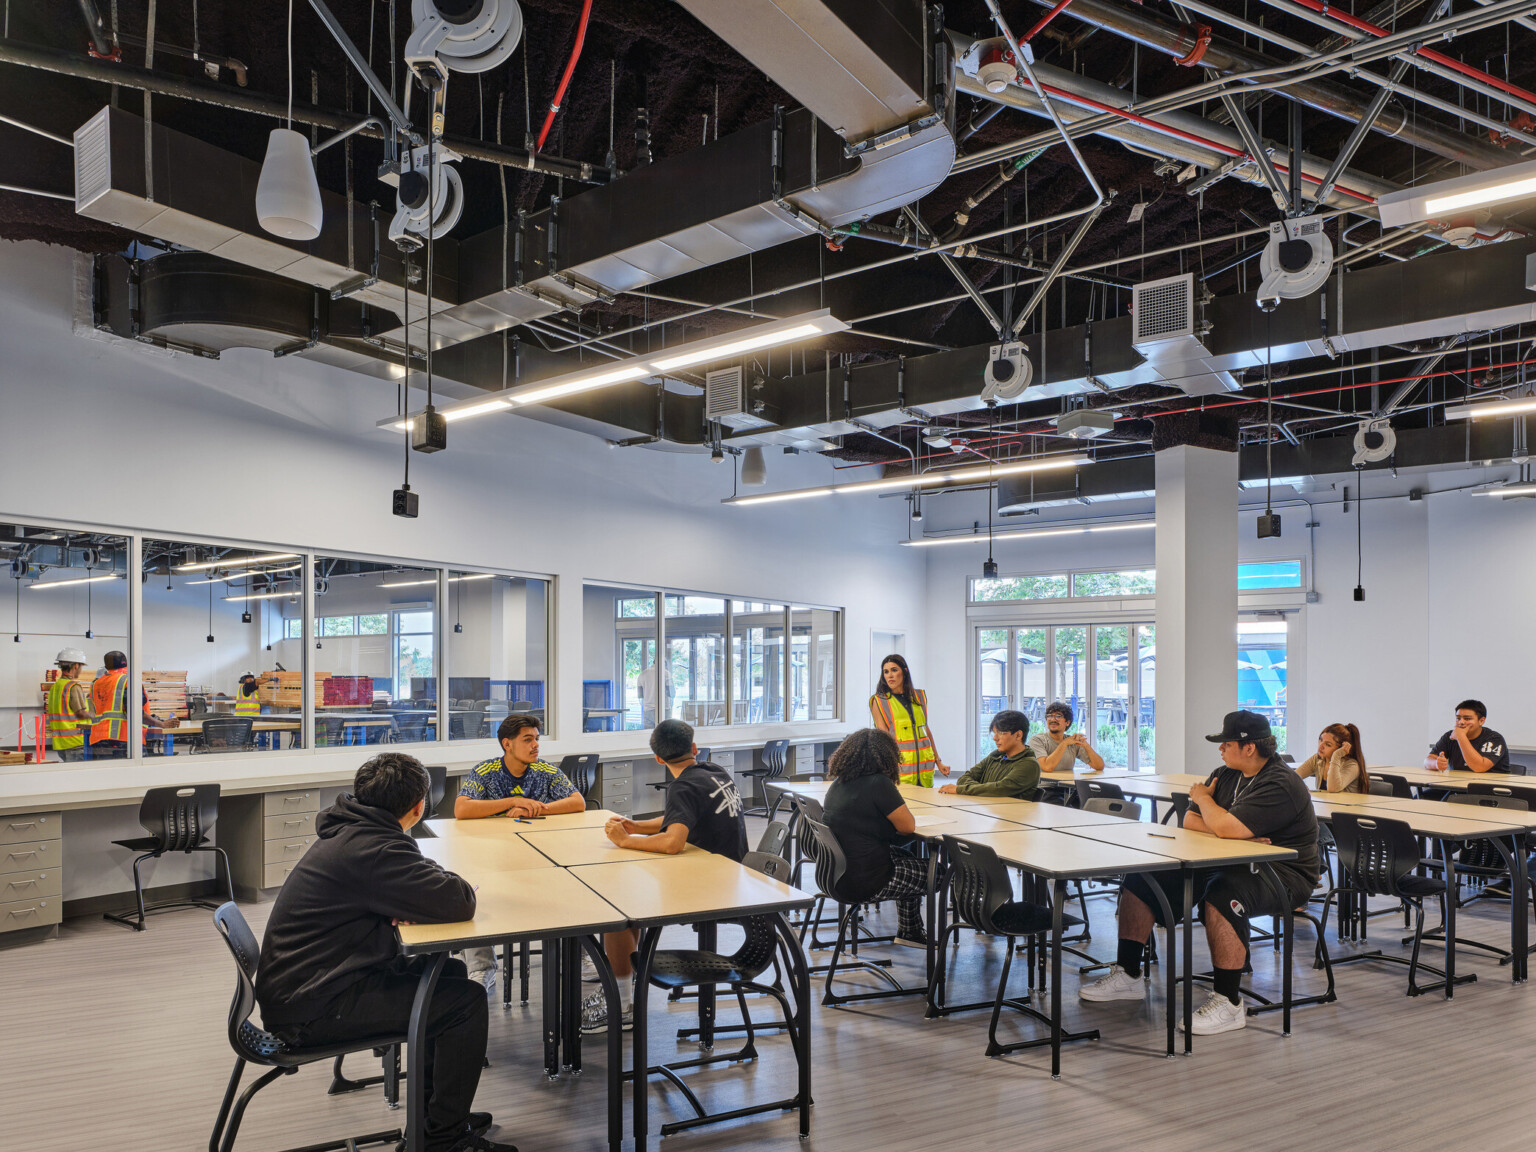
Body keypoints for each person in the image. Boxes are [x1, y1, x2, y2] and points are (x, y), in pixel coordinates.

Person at [254, 753, 513, 1152]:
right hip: (315, 1009)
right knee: (466, 1002)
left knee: (448, 977)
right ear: (418, 805)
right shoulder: (376, 850)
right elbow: (458, 899)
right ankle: (443, 1140)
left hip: (309, 987)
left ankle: (432, 1119)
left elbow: (424, 879)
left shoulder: (356, 830)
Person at [1080, 710, 1319, 1036]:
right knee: (1140, 878)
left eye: (1227, 743)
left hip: (1283, 873)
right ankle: (1129, 974)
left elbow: (1219, 822)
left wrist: (1207, 801)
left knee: (1224, 894)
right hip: (1230, 858)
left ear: (1249, 748)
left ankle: (1229, 1003)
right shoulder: (1226, 772)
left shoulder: (1280, 782)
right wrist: (1227, 830)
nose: (1220, 749)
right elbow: (1190, 822)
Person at [581, 719, 746, 1033]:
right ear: (694, 749)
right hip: (731, 877)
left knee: (616, 910)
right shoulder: (712, 772)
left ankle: (622, 1003)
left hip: (713, 889)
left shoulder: (682, 785)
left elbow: (673, 842)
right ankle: (623, 993)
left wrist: (626, 840)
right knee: (630, 906)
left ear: (657, 758)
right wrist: (636, 825)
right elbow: (678, 819)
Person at [456, 714, 585, 988]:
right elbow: (462, 808)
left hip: (539, 851)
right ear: (507, 744)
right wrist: (513, 801)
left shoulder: (545, 771)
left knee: (574, 887)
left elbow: (578, 802)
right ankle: (481, 966)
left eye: (537, 739)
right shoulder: (485, 771)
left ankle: (581, 955)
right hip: (490, 854)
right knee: (471, 891)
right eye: (528, 740)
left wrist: (537, 807)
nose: (535, 745)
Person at [823, 727, 932, 949]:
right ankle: (914, 931)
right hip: (866, 881)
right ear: (887, 755)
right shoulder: (878, 783)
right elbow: (908, 826)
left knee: (909, 860)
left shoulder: (839, 783)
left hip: (836, 876)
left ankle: (910, 931)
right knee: (937, 872)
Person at [868, 653, 950, 786]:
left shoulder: (920, 697)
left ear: (904, 671)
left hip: (925, 769)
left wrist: (938, 761)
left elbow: (926, 731)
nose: (890, 675)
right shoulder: (879, 701)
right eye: (886, 672)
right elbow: (883, 738)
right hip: (901, 770)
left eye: (894, 670)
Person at [937, 710, 1041, 798]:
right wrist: (983, 789)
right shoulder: (996, 756)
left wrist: (962, 789)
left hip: (1012, 817)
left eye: (1000, 733)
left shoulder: (1029, 764)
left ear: (1018, 735)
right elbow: (964, 778)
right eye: (994, 733)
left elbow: (999, 789)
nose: (995, 738)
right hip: (988, 813)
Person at [89, 650, 162, 759]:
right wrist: (161, 724)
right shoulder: (129, 680)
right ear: (126, 662)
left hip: (98, 738)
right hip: (124, 739)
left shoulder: (96, 684)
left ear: (106, 666)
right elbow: (135, 712)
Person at [1425, 700, 1509, 774]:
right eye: (1458, 718)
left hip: (1487, 788)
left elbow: (1480, 767)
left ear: (1481, 721)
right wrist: (1436, 764)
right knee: (1422, 792)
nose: (1461, 722)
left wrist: (1461, 737)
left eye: (1467, 719)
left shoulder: (1494, 738)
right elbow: (1427, 760)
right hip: (1457, 785)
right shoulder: (1450, 736)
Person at [45, 647, 95, 762]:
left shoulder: (55, 687)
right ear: (76, 666)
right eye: (81, 666)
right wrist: (96, 716)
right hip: (76, 741)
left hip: (61, 742)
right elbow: (81, 713)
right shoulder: (73, 687)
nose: (81, 670)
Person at [1028, 702, 1105, 773]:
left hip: (1069, 785)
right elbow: (1047, 767)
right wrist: (1064, 743)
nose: (1053, 719)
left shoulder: (1072, 742)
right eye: (1049, 716)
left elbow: (1099, 766)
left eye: (1058, 716)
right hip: (1045, 787)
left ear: (1067, 722)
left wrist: (1086, 745)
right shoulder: (1037, 740)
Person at [1295, 723, 1367, 793]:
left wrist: (1336, 756)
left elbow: (1333, 789)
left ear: (1341, 748)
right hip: (1325, 804)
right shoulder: (1318, 758)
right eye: (1321, 740)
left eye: (1328, 744)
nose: (1321, 746)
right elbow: (1293, 777)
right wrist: (1302, 787)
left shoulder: (1352, 765)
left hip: (1345, 805)